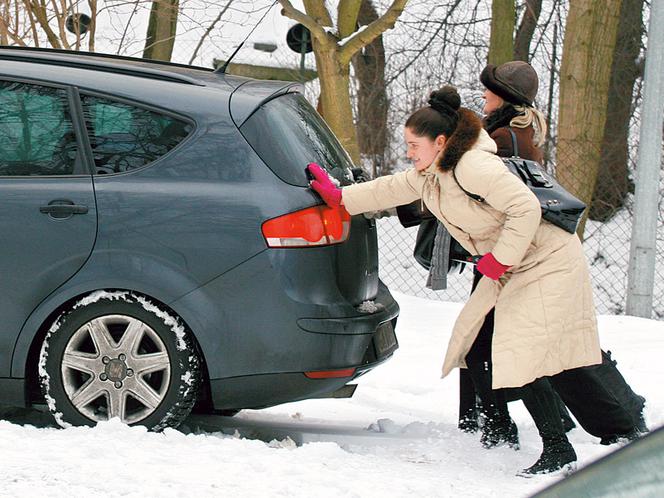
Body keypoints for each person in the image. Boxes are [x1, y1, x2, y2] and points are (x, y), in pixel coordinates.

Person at [307, 84, 599, 476]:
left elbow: (525, 207)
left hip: (545, 260)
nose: (409, 153)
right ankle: (498, 427)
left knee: (519, 350)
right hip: (511, 263)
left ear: (440, 141)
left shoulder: (472, 166)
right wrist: (339, 197)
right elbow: (390, 187)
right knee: (477, 347)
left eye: (414, 145)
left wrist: (500, 258)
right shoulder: (433, 171)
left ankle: (558, 447)